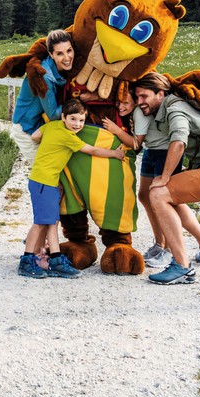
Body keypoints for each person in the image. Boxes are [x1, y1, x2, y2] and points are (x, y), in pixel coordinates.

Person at [132, 72, 200, 285]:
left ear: (160, 94)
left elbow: (179, 142)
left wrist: (164, 177)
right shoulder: (169, 105)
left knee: (159, 194)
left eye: (144, 96)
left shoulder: (175, 109)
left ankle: (182, 266)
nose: (139, 102)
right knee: (166, 196)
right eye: (137, 98)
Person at [19, 98, 126, 278]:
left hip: (48, 182)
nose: (77, 124)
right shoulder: (69, 137)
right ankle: (26, 261)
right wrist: (115, 154)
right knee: (40, 223)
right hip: (43, 182)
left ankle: (56, 259)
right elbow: (92, 150)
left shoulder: (52, 126)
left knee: (52, 222)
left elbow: (34, 136)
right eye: (73, 119)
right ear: (64, 117)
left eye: (81, 120)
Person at [9, 29, 75, 162]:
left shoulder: (60, 70)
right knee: (43, 173)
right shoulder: (44, 77)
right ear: (51, 54)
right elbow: (53, 114)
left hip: (39, 126)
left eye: (69, 50)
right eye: (59, 53)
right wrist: (76, 101)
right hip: (26, 128)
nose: (67, 58)